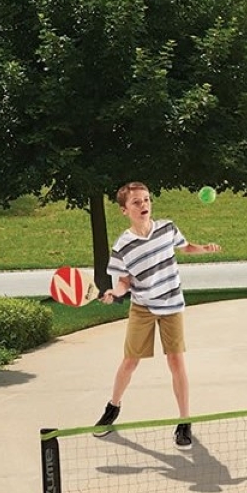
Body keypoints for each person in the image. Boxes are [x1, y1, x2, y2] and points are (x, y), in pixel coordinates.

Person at [93, 182, 221, 448]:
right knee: (130, 362)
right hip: (142, 307)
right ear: (124, 210)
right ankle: (112, 408)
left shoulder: (167, 228)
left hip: (172, 303)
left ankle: (184, 422)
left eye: (147, 200)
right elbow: (124, 282)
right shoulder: (123, 247)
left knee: (176, 362)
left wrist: (204, 249)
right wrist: (114, 293)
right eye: (137, 202)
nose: (144, 205)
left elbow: (184, 247)